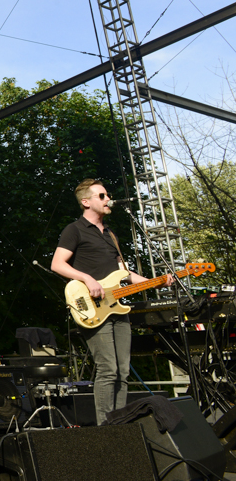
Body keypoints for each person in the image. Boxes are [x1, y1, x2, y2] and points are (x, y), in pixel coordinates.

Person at [50, 178, 172, 426]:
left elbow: (123, 273)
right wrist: (87, 278)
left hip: (117, 307)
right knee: (108, 370)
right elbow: (57, 264)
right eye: (102, 196)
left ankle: (121, 423)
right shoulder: (74, 229)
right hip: (92, 307)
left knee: (123, 371)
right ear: (86, 202)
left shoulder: (110, 235)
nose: (108, 200)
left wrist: (157, 280)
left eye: (107, 195)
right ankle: (107, 428)